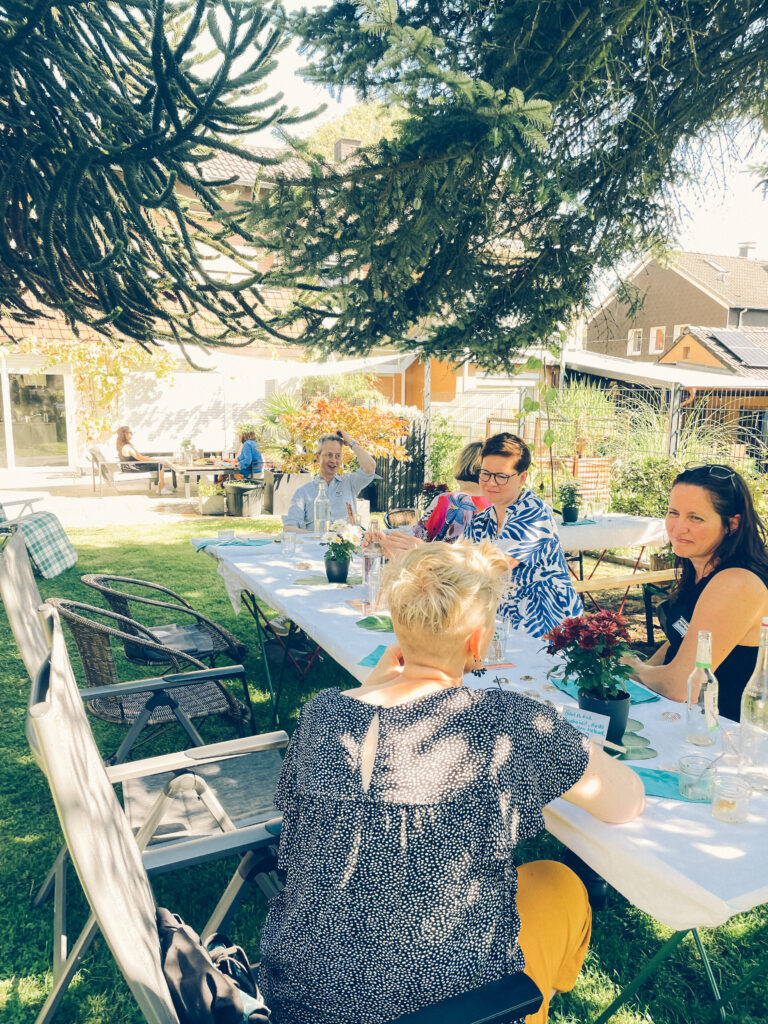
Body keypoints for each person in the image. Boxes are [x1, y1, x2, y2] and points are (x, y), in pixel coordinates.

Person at [258, 541, 645, 1024]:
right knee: (560, 882)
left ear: (396, 624)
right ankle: (538, 1004)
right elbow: (622, 803)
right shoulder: (508, 723)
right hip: (452, 1006)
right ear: (477, 641)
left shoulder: (323, 714)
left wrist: (373, 687)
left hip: (300, 998)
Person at [623, 463, 768, 721]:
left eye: (696, 518)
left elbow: (682, 685)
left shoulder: (737, 582)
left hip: (723, 737)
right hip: (691, 719)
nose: (678, 528)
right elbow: (682, 638)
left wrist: (633, 667)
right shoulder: (702, 565)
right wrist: (639, 671)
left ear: (732, 524)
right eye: (673, 513)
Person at [465, 432, 582, 638]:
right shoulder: (481, 520)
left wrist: (429, 557)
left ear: (522, 478)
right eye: (485, 474)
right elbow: (464, 564)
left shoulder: (534, 513)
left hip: (549, 631)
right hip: (504, 627)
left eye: (501, 476)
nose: (491, 483)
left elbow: (496, 564)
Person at [283, 431, 376, 532]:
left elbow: (370, 467)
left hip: (346, 546)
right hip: (315, 546)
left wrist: (350, 442)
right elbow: (289, 528)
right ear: (318, 457)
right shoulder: (303, 492)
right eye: (329, 455)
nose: (334, 460)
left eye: (337, 456)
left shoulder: (350, 483)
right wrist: (320, 537)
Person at [414, 440, 491, 542]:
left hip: (446, 557)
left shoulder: (446, 500)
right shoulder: (497, 504)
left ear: (460, 465)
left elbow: (420, 538)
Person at [116, 425, 172, 494]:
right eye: (130, 432)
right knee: (160, 465)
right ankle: (161, 489)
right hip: (133, 467)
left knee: (156, 463)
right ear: (125, 434)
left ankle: (162, 484)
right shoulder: (127, 447)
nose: (131, 434)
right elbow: (140, 458)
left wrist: (149, 459)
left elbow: (138, 457)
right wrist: (154, 460)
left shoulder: (123, 445)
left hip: (130, 466)